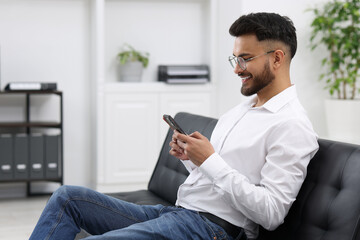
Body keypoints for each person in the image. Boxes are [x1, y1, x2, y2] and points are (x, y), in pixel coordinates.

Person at [30, 12, 318, 240]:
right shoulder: (241, 110)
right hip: (177, 214)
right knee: (67, 198)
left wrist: (210, 160)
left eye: (245, 59)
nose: (236, 68)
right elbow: (218, 176)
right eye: (235, 58)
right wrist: (193, 160)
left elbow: (271, 213)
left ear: (277, 58)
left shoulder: (291, 125)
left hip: (212, 229)